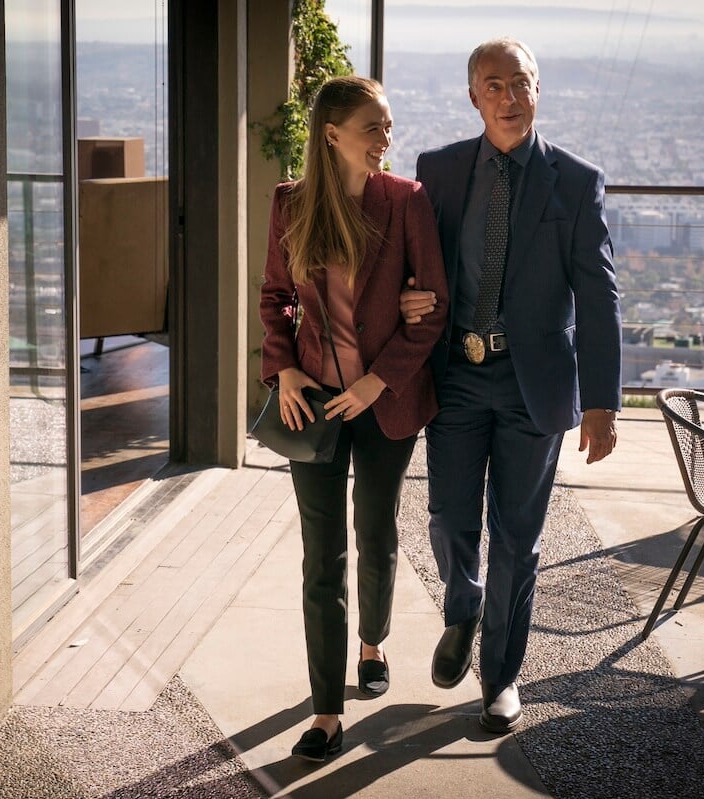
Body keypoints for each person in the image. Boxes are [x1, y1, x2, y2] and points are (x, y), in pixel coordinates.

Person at [399, 38, 622, 733]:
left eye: (520, 83)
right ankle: (462, 606)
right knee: (448, 518)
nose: (509, 97)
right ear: (473, 97)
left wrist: (602, 402)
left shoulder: (576, 182)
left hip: (536, 388)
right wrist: (409, 298)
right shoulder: (435, 171)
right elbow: (412, 264)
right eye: (493, 86)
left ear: (538, 90)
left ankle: (500, 677)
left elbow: (600, 297)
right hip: (457, 376)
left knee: (517, 539)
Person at [259, 75, 449, 762]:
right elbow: (278, 298)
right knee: (321, 557)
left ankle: (372, 641)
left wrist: (376, 380)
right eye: (375, 127)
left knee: (375, 529)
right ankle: (325, 710)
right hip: (310, 404)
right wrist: (282, 366)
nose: (386, 139)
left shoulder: (406, 202)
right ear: (332, 133)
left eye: (389, 126)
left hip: (383, 400)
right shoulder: (291, 203)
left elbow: (435, 310)